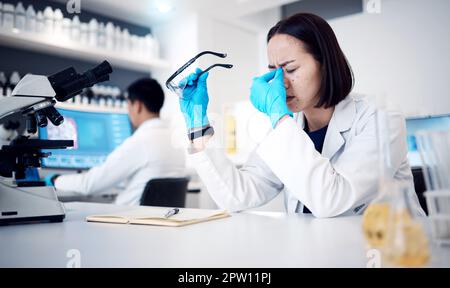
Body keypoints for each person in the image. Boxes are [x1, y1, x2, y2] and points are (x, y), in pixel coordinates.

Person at [178, 13, 423, 217]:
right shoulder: (287, 127)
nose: (279, 83)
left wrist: (279, 119)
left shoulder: (379, 117)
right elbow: (236, 195)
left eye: (291, 69)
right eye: (273, 71)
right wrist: (198, 123)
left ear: (325, 63)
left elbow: (333, 200)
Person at [51, 78, 186, 206]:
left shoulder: (141, 141)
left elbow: (89, 185)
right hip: (158, 222)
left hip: (130, 222)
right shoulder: (175, 140)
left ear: (137, 106)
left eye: (129, 105)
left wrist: (56, 179)